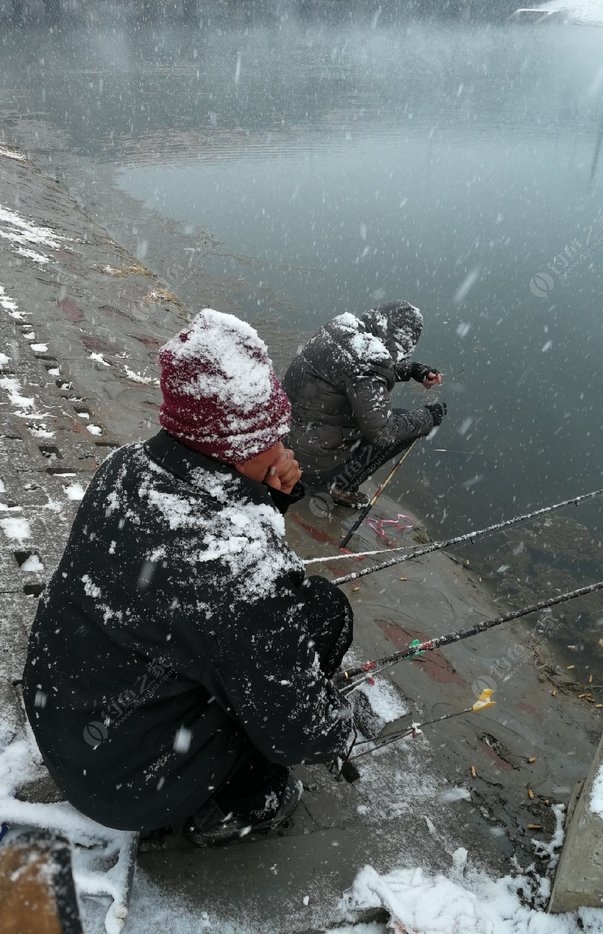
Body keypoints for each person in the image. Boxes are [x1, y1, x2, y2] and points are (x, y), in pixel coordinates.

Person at [22, 309, 354, 846]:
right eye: (275, 434)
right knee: (308, 644)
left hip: (62, 715)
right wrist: (338, 727)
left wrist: (267, 495)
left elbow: (192, 561)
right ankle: (242, 803)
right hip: (125, 784)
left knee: (311, 608)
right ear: (242, 445)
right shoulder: (242, 573)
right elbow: (298, 733)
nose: (285, 443)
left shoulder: (126, 465)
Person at [282, 300, 446, 509]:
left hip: (285, 443)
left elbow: (354, 372)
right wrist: (428, 417)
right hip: (309, 464)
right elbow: (383, 433)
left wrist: (413, 369)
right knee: (399, 422)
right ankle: (341, 486)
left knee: (373, 417)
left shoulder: (338, 330)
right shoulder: (368, 364)